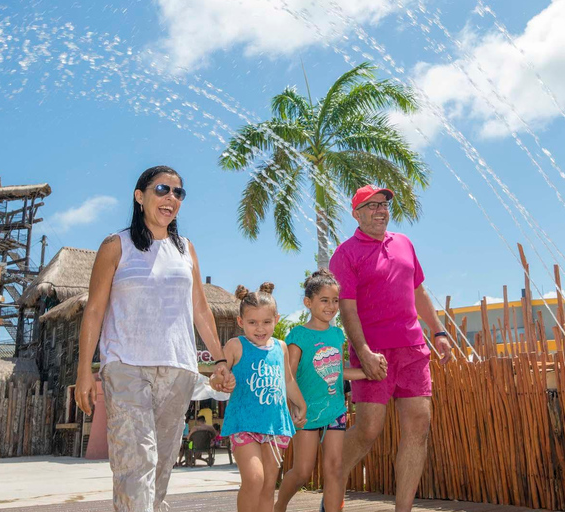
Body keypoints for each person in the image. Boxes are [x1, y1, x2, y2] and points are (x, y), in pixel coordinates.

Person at [74, 165, 235, 512]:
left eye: (179, 193)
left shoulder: (186, 249)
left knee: (161, 466)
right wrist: (84, 371)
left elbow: (201, 311)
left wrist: (219, 360)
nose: (171, 198)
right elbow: (94, 311)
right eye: (163, 189)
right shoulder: (115, 246)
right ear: (140, 196)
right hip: (126, 365)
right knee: (136, 462)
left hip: (178, 369)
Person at [329, 184, 452, 512]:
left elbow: (419, 293)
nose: (380, 210)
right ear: (356, 214)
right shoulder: (345, 254)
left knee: (419, 425)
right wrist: (364, 351)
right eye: (371, 206)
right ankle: (334, 481)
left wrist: (438, 331)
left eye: (383, 204)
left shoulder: (405, 244)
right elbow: (347, 309)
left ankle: (403, 510)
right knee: (369, 430)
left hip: (412, 349)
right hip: (373, 353)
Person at [274, 269, 370, 512]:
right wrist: (293, 406)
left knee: (335, 467)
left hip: (335, 409)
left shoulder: (337, 334)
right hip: (306, 414)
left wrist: (369, 372)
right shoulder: (298, 335)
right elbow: (289, 376)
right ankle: (279, 506)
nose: (331, 306)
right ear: (308, 302)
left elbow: (338, 371)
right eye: (324, 300)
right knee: (303, 471)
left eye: (335, 300)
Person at [220, 283, 307, 512]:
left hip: (275, 425)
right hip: (244, 424)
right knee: (254, 479)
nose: (260, 328)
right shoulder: (235, 346)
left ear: (276, 319)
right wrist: (221, 380)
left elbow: (287, 380)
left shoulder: (281, 347)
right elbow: (217, 375)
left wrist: (301, 404)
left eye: (266, 322)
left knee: (268, 486)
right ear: (241, 322)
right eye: (252, 322)